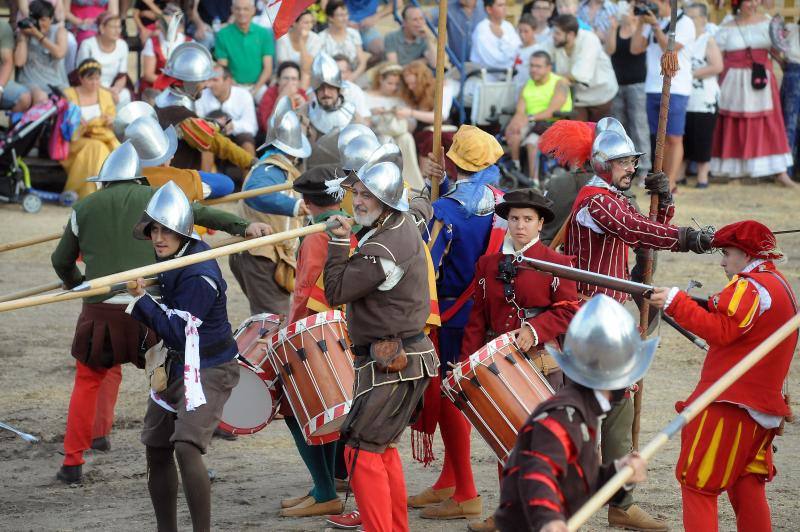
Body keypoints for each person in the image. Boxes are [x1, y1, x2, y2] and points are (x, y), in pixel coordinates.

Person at [51, 141, 271, 485]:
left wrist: (78, 283)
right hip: (150, 311)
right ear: (137, 179)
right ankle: (193, 445)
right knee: (179, 375)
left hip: (102, 313)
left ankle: (74, 461)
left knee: (92, 377)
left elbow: (60, 261)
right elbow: (199, 214)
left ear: (104, 181)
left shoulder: (85, 207)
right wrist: (243, 227)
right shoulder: (154, 199)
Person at [554, 122, 713, 531]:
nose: (630, 168)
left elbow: (645, 233)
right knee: (584, 410)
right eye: (623, 161)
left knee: (620, 407)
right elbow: (637, 230)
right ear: (604, 163)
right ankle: (561, 497)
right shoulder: (596, 200)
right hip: (587, 315)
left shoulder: (611, 197)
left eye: (631, 161)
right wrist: (686, 237)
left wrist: (665, 200)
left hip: (611, 314)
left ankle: (619, 500)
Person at [649, 220, 797, 532]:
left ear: (744, 254)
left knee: (698, 486)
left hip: (731, 404)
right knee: (746, 486)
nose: (722, 261)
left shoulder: (750, 285)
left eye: (727, 253)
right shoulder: (777, 284)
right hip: (758, 408)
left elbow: (722, 330)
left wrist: (677, 303)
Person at [323, 160, 439, 532]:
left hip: (395, 361)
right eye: (356, 193)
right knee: (380, 446)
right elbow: (424, 206)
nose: (358, 201)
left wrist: (339, 241)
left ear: (387, 201)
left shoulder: (382, 252)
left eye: (368, 195)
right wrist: (426, 189)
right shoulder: (406, 221)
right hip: (409, 356)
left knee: (360, 449)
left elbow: (336, 291)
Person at [125, 182, 241, 532]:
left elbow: (180, 331)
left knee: (186, 447)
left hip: (209, 368)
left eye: (167, 230)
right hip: (175, 364)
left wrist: (143, 300)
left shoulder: (200, 272)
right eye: (154, 229)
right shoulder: (171, 258)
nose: (159, 237)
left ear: (183, 232)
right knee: (156, 446)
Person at [407, 126, 505, 525]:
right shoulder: (500, 201)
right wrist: (443, 180)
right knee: (453, 395)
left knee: (449, 397)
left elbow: (429, 266)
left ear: (453, 161)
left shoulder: (444, 211)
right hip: (480, 313)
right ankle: (450, 479)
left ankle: (466, 492)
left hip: (448, 316)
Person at [495, 295, 653, 532]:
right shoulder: (565, 415)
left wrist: (617, 473)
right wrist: (549, 519)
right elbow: (539, 472)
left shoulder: (585, 410)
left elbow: (577, 481)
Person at [277, 166, 349, 519]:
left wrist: (287, 333)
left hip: (318, 334)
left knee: (297, 410)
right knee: (331, 410)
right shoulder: (351, 224)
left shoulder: (317, 236)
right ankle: (328, 483)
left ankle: (324, 489)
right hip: (346, 331)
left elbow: (306, 291)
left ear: (306, 203)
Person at [229, 110, 311, 316]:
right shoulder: (270, 169)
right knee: (273, 324)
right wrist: (294, 206)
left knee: (269, 321)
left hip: (262, 256)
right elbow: (254, 194)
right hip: (261, 257)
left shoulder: (277, 168)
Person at [709, 0, 795, 187]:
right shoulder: (727, 26)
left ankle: (780, 173)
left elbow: (779, 50)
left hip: (761, 79)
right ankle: (735, 172)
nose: (753, 4)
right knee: (733, 124)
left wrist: (783, 46)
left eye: (756, 0)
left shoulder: (768, 22)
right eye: (749, 0)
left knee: (770, 124)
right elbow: (718, 55)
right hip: (733, 81)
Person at [154, 42, 255, 175]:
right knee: (226, 184)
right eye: (203, 81)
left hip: (173, 174)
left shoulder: (164, 101)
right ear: (190, 83)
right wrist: (251, 162)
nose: (206, 85)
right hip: (178, 179)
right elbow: (215, 142)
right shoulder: (178, 112)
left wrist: (215, 124)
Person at [631, 0, 695, 193]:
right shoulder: (652, 22)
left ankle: (671, 182)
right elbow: (635, 48)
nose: (650, 4)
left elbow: (669, 49)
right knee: (659, 137)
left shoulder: (684, 21)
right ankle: (662, 180)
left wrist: (656, 26)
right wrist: (642, 22)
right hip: (652, 86)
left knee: (674, 137)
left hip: (676, 86)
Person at [505, 51, 572, 181]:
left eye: (538, 66)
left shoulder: (559, 83)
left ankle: (533, 180)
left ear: (548, 68)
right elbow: (520, 111)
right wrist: (515, 124)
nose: (533, 69)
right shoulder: (528, 85)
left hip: (554, 123)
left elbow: (552, 110)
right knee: (514, 132)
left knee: (532, 141)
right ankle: (515, 167)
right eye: (531, 65)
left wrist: (528, 118)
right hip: (532, 122)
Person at [61, 59, 119, 198]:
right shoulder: (69, 94)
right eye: (90, 79)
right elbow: (63, 122)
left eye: (97, 79)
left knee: (101, 147)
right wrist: (75, 122)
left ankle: (97, 192)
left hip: (103, 138)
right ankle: (95, 193)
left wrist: (111, 121)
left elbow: (113, 121)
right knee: (97, 148)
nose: (94, 83)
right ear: (81, 78)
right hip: (75, 140)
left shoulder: (105, 95)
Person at [607, 1, 651, 182]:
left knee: (639, 126)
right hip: (617, 84)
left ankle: (645, 169)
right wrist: (613, 28)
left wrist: (635, 22)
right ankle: (622, 168)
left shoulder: (640, 30)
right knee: (620, 128)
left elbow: (637, 48)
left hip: (637, 85)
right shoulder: (616, 29)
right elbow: (609, 50)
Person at [364, 62, 424, 190]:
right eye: (390, 83)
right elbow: (361, 122)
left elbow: (411, 126)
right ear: (381, 79)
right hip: (377, 135)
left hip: (398, 134)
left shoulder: (400, 99)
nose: (393, 87)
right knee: (386, 140)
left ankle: (413, 184)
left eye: (396, 84)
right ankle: (385, 184)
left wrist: (403, 117)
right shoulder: (366, 96)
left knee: (407, 138)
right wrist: (371, 114)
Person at [682, 2, 722, 189]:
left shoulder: (708, 39)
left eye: (693, 17)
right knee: (685, 135)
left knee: (703, 136)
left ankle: (702, 176)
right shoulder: (685, 40)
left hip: (704, 98)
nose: (688, 21)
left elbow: (717, 66)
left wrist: (689, 73)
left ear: (703, 19)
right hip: (685, 95)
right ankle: (680, 173)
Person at [551, 14, 618, 122]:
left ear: (571, 35)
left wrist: (552, 77)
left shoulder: (589, 39)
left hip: (602, 96)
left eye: (558, 33)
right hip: (578, 100)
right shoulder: (557, 41)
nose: (554, 36)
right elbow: (540, 56)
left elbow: (579, 75)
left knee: (600, 135)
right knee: (578, 135)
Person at [214, 0, 275, 102]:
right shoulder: (223, 34)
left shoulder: (263, 33)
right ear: (232, 10)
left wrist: (254, 90)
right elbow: (223, 68)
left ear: (253, 11)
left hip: (258, 86)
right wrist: (238, 88)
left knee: (269, 106)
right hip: (233, 86)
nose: (241, 12)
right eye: (238, 9)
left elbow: (268, 69)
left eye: (245, 9)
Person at [196, 64, 258, 156]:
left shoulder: (244, 95)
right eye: (208, 80)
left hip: (236, 135)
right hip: (212, 135)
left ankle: (251, 170)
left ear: (228, 81)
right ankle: (206, 171)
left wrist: (232, 126)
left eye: (215, 80)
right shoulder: (202, 95)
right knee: (205, 140)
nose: (209, 85)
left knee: (247, 141)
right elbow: (197, 122)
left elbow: (252, 127)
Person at [14, 0, 69, 104]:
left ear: (51, 19)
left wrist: (37, 35)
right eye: (36, 19)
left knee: (71, 99)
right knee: (41, 98)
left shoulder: (59, 31)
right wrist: (22, 38)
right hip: (30, 80)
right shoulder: (25, 32)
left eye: (43, 20)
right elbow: (19, 62)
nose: (39, 24)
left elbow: (59, 53)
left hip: (56, 81)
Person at [76, 12, 130, 106]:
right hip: (90, 86)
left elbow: (122, 76)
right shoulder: (87, 45)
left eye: (119, 27)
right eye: (113, 27)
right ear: (102, 28)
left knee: (125, 95)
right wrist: (106, 92)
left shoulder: (123, 45)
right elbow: (83, 75)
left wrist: (115, 90)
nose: (118, 31)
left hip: (111, 87)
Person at [301, 53, 358, 141]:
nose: (326, 93)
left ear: (338, 90)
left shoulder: (353, 115)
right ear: (315, 92)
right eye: (320, 88)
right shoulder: (304, 112)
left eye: (330, 87)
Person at [139, 4, 190, 94]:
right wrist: (171, 83)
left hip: (182, 88)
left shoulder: (189, 44)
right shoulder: (152, 42)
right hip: (157, 87)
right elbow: (148, 75)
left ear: (179, 26)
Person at [319, 1, 368, 82]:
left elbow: (362, 62)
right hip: (329, 79)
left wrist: (352, 77)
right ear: (331, 17)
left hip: (353, 77)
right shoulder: (322, 37)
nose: (345, 18)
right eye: (340, 15)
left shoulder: (354, 34)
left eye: (346, 14)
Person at [256, 61, 308, 134]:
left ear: (299, 82)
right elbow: (267, 128)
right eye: (286, 78)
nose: (289, 83)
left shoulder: (302, 94)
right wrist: (281, 98)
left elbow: (310, 128)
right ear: (278, 80)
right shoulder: (269, 94)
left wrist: (304, 107)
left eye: (294, 79)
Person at [274, 10, 321, 89]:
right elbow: (284, 66)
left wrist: (301, 41)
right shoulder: (283, 39)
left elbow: (306, 67)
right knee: (290, 78)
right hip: (287, 75)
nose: (310, 26)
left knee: (306, 76)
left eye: (311, 22)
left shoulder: (315, 39)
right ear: (294, 23)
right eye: (306, 23)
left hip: (307, 77)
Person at [470, 0, 521, 71]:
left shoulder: (508, 26)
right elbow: (493, 61)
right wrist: (512, 61)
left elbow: (518, 51)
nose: (505, 8)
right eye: (500, 5)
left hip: (510, 76)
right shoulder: (482, 29)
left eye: (505, 5)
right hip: (487, 79)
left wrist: (503, 37)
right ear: (489, 9)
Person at [431, 0, 485, 65]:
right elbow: (428, 17)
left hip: (482, 66)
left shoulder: (485, 6)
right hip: (457, 66)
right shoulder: (449, 6)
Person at [512, 12, 550, 94]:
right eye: (520, 31)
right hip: (515, 89)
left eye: (526, 31)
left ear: (534, 31)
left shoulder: (538, 51)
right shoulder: (517, 48)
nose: (522, 35)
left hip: (529, 91)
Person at [0, 19, 32, 112]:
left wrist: (0, 88)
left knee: (24, 97)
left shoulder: (2, 26)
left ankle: (14, 126)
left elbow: (7, 62)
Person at [782, 21, 799, 178]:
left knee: (791, 123)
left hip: (793, 72)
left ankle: (789, 169)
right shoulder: (791, 29)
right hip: (793, 72)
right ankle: (786, 169)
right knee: (790, 123)